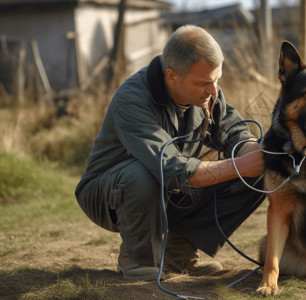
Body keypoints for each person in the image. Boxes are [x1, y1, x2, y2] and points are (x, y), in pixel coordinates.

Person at [75, 24, 265, 281]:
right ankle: (138, 259)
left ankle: (177, 256)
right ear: (172, 76)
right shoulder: (131, 99)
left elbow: (236, 133)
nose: (213, 91)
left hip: (170, 189)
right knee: (142, 174)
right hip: (110, 191)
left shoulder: (207, 92)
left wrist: (263, 155)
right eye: (205, 83)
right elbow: (171, 168)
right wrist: (242, 166)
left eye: (217, 80)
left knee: (261, 171)